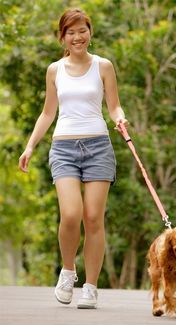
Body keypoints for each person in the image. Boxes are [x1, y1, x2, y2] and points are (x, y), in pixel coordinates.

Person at [19, 8, 128, 309]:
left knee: (93, 218)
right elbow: (48, 112)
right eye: (71, 31)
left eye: (83, 30)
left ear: (90, 33)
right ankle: (68, 270)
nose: (78, 36)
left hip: (98, 147)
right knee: (70, 215)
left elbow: (114, 105)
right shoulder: (54, 70)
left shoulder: (104, 66)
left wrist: (120, 119)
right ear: (63, 37)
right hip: (64, 148)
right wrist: (30, 146)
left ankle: (90, 287)